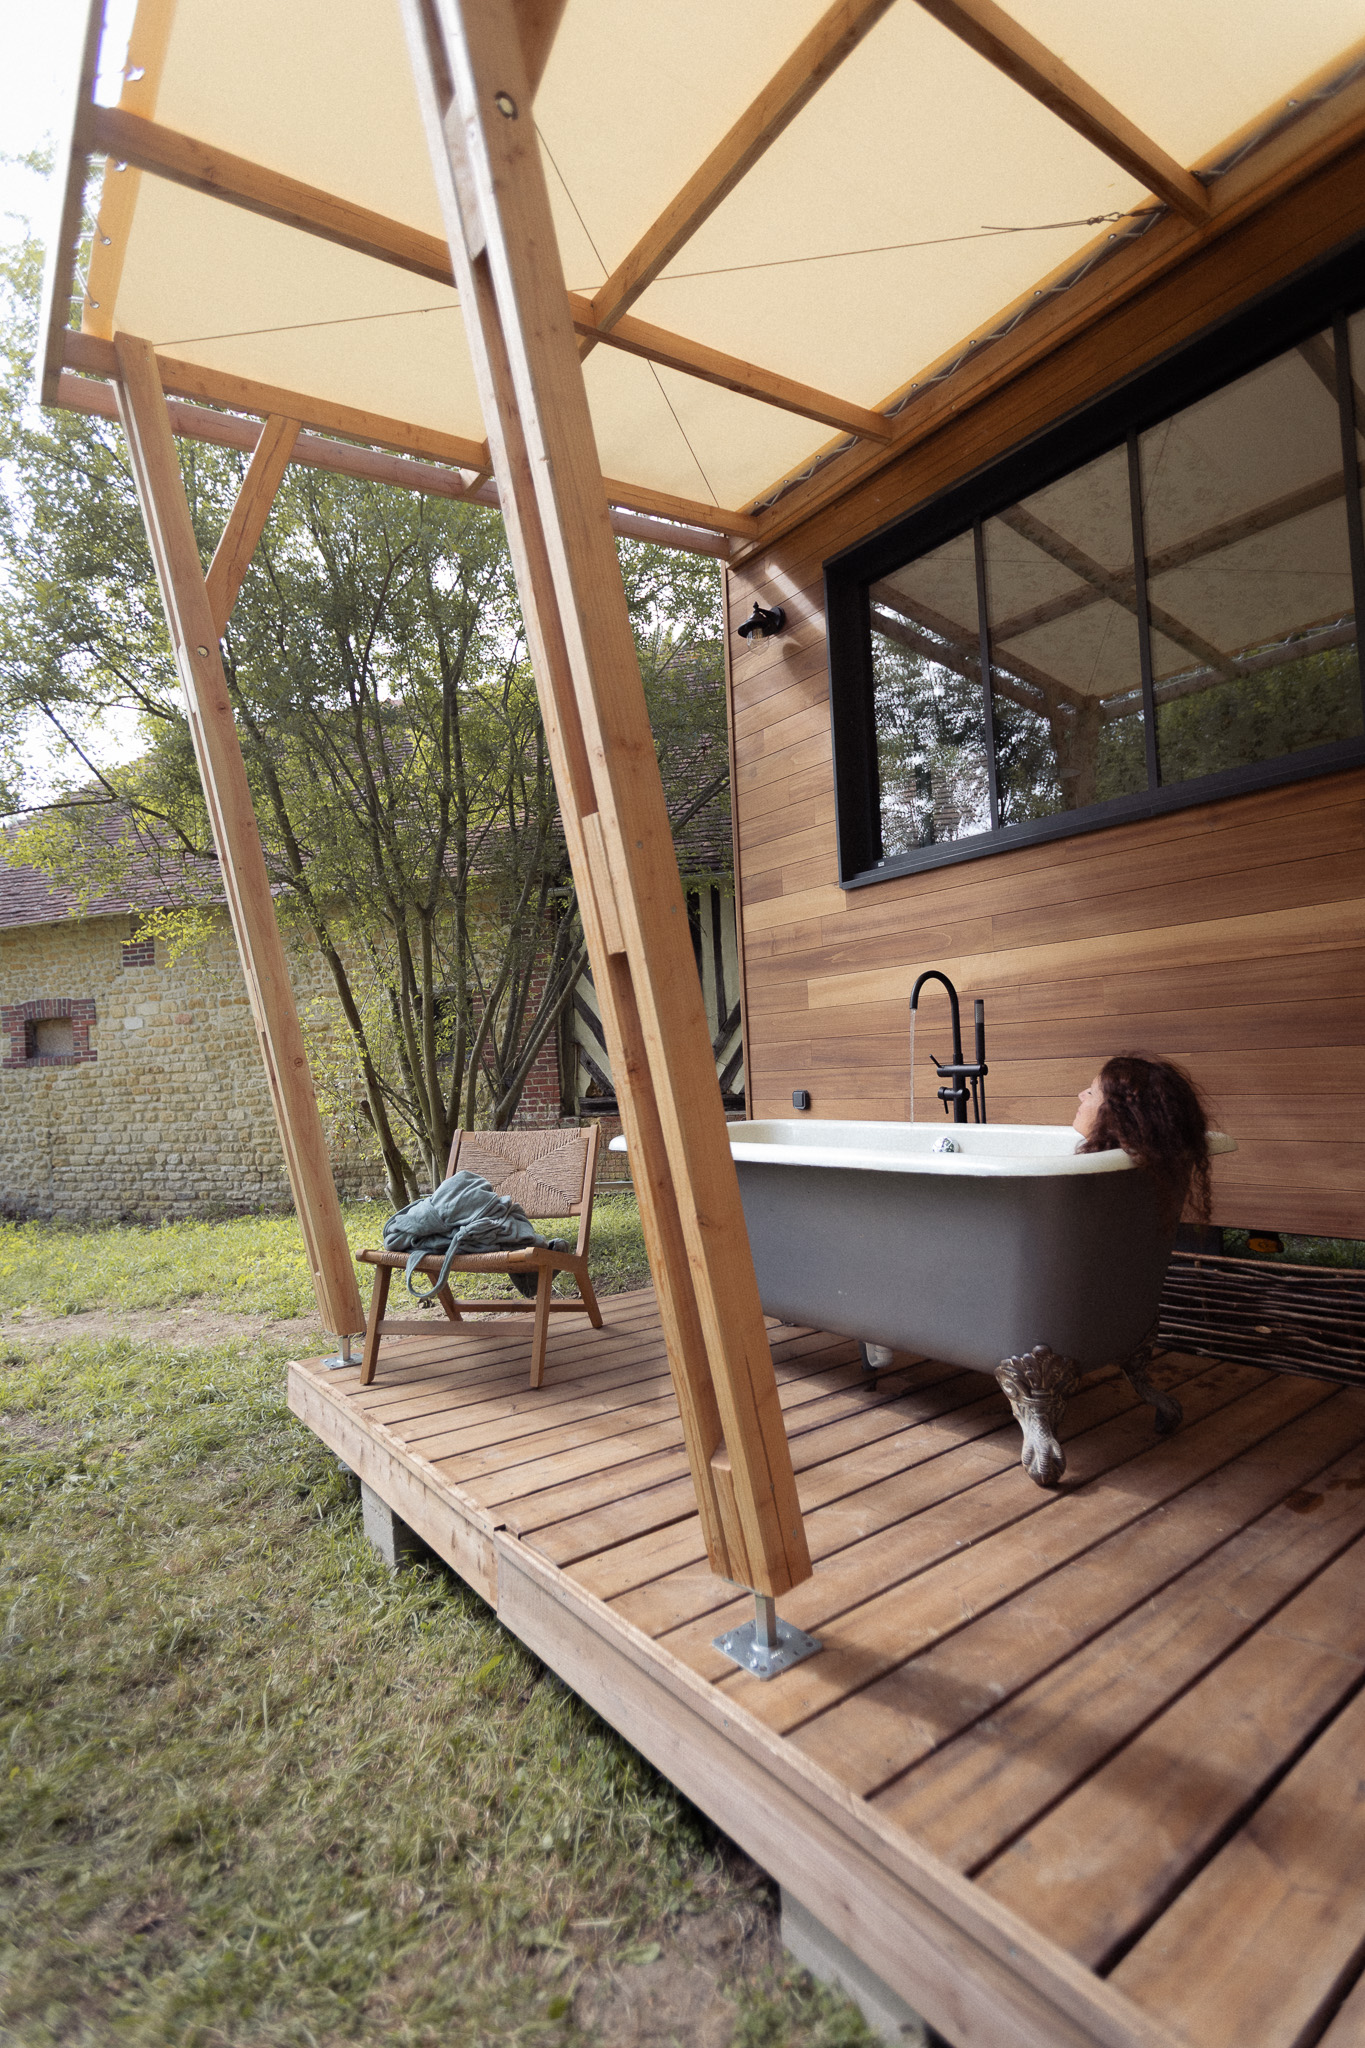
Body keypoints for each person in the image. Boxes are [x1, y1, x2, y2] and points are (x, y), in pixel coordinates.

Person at [1073, 1054, 1212, 1223]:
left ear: (1116, 1115)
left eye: (1090, 1092)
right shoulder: (1144, 1161)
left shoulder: (1103, 1177)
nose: (1081, 1095)